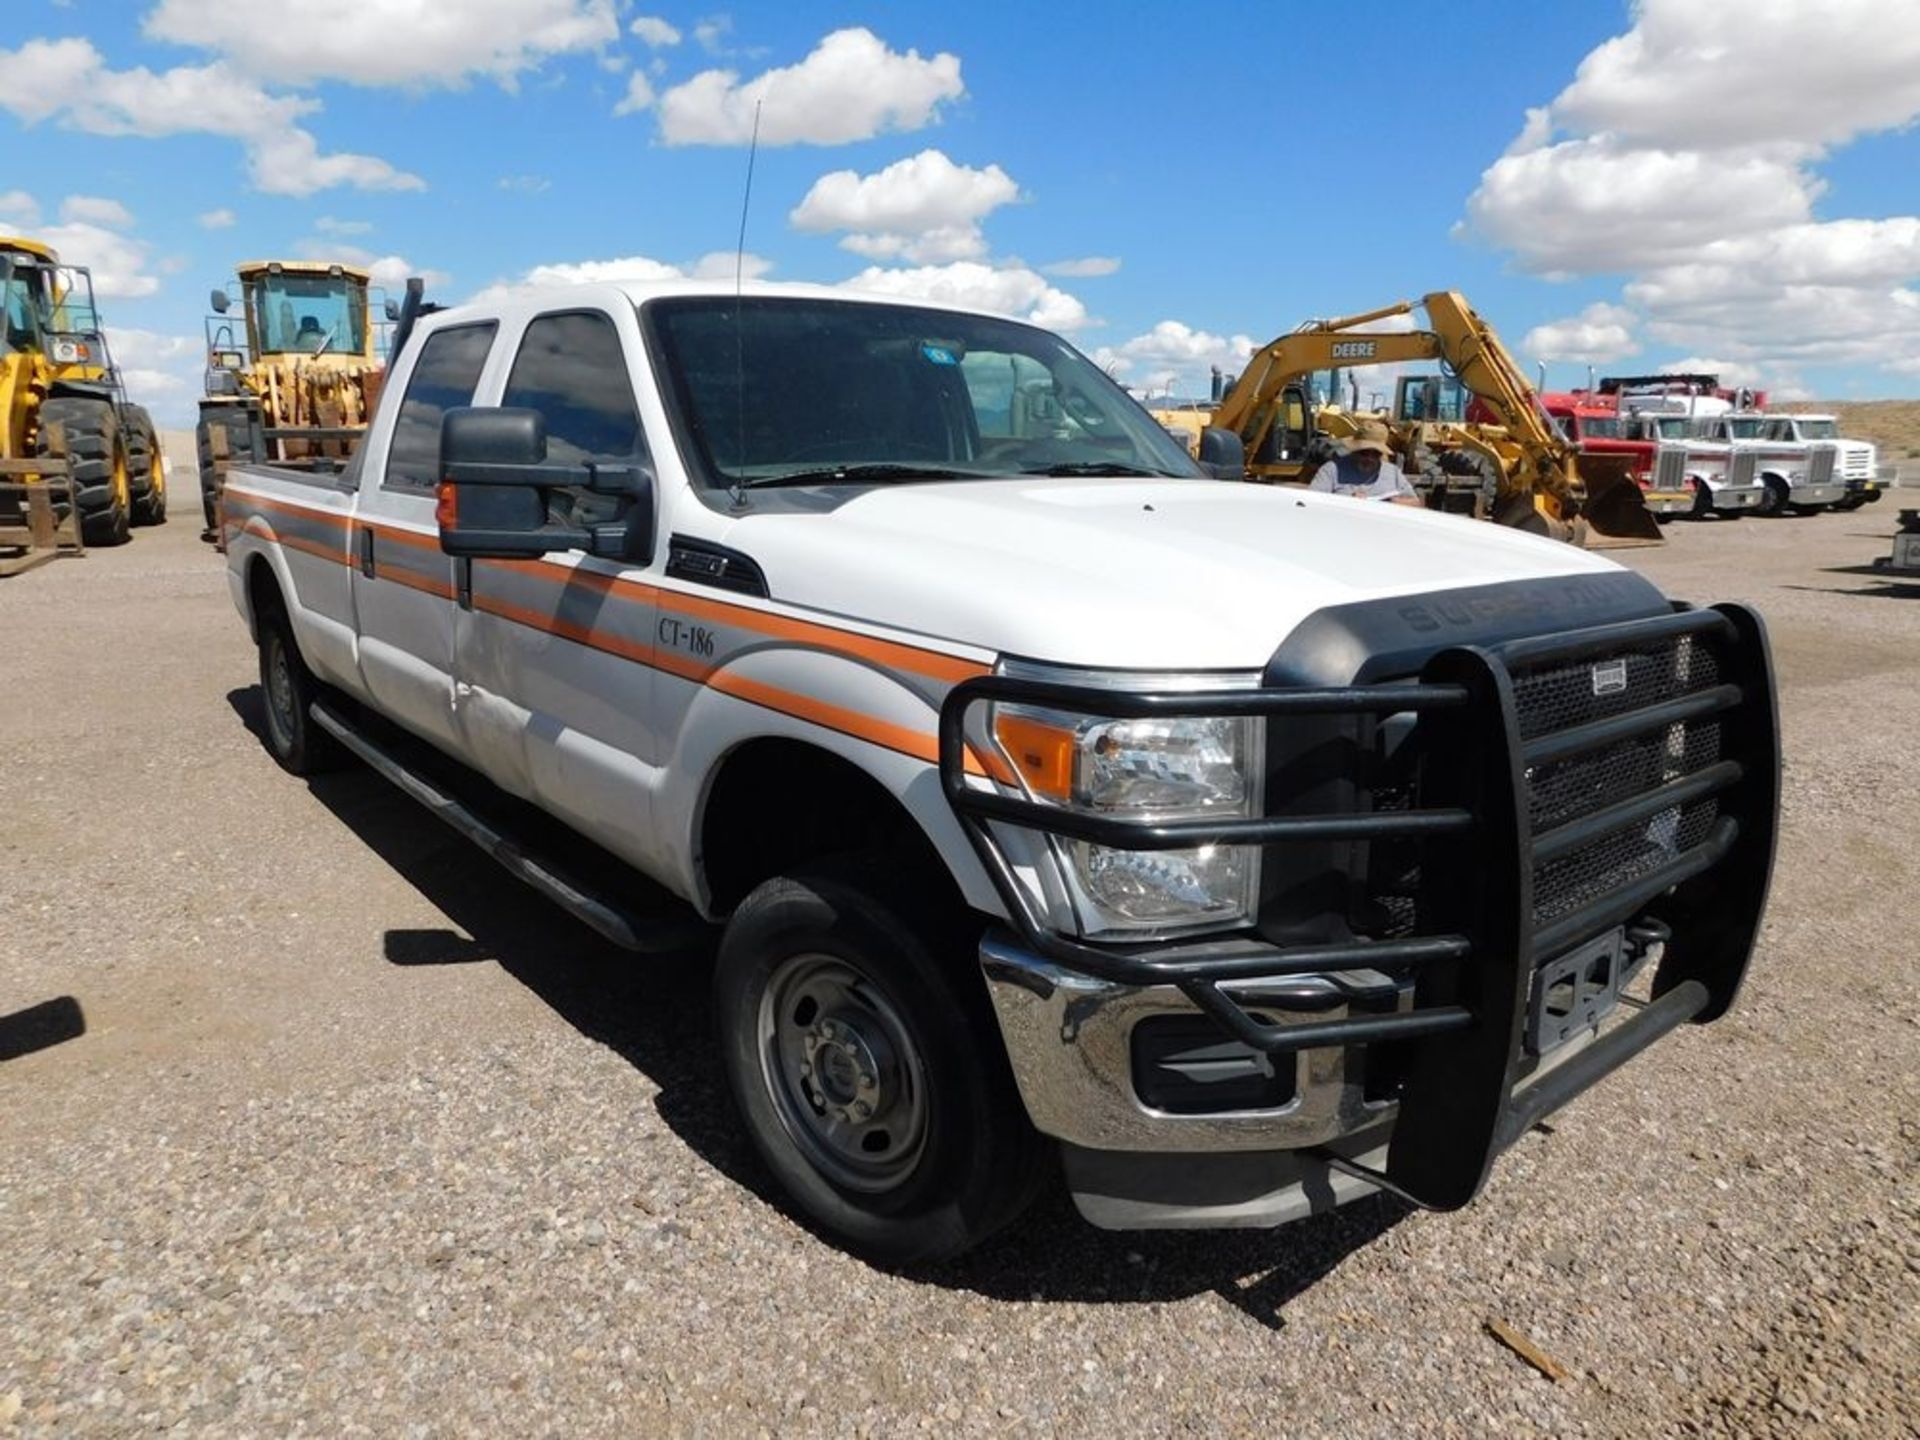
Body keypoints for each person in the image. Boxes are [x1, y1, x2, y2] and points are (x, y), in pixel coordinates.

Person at [1308, 420, 1423, 506]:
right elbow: (1311, 501)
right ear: (1354, 450)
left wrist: (1392, 502)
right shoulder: (1332, 470)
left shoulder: (1393, 472)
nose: (1369, 458)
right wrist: (1347, 501)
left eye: (1376, 454)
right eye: (1364, 453)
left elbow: (1416, 503)